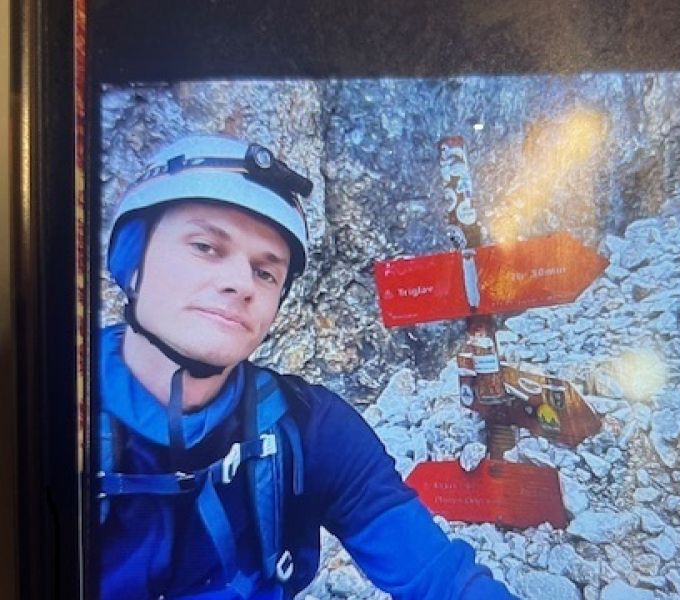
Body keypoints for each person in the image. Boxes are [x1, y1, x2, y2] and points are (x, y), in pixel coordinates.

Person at [97, 134, 518, 599]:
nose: (241, 283)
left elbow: (441, 578)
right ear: (132, 261)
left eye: (265, 272)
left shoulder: (311, 430)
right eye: (205, 246)